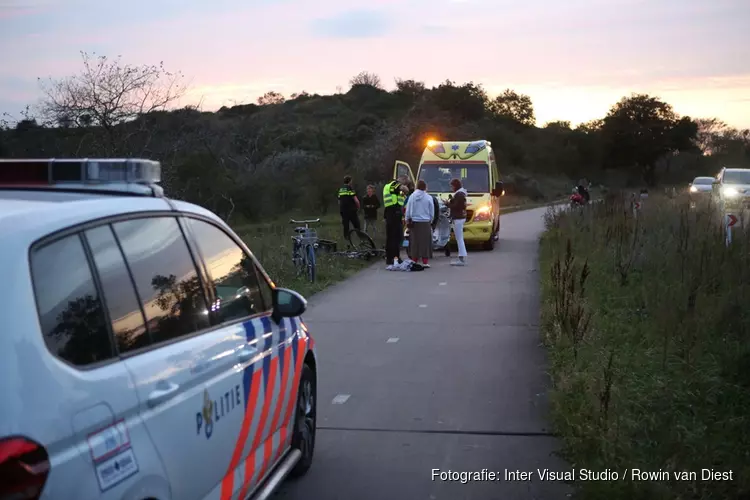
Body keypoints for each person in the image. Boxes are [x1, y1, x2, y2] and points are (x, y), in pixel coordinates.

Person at [404, 180, 435, 268]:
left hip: (414, 222)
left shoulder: (412, 197)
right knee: (425, 242)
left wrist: (407, 220)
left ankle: (414, 260)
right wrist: (430, 220)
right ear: (425, 187)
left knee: (415, 242)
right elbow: (431, 211)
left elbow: (408, 210)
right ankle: (425, 261)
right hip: (425, 222)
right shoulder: (428, 197)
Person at [383, 178, 407, 266]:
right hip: (394, 214)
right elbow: (403, 189)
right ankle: (395, 258)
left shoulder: (389, 187)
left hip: (391, 213)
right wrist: (405, 189)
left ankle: (389, 258)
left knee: (390, 237)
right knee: (396, 237)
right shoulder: (394, 184)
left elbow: (400, 197)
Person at [447, 178, 468, 266]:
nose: (451, 188)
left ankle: (461, 258)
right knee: (459, 238)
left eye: (452, 186)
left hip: (458, 218)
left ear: (455, 186)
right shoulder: (461, 194)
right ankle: (461, 257)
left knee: (459, 239)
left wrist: (447, 204)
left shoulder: (459, 194)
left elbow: (456, 206)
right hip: (460, 217)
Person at [338, 175, 361, 243]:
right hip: (351, 210)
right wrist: (358, 207)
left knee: (346, 225)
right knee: (356, 224)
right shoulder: (350, 188)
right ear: (350, 181)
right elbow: (356, 200)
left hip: (343, 210)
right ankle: (361, 237)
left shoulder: (341, 189)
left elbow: (339, 201)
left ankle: (346, 239)